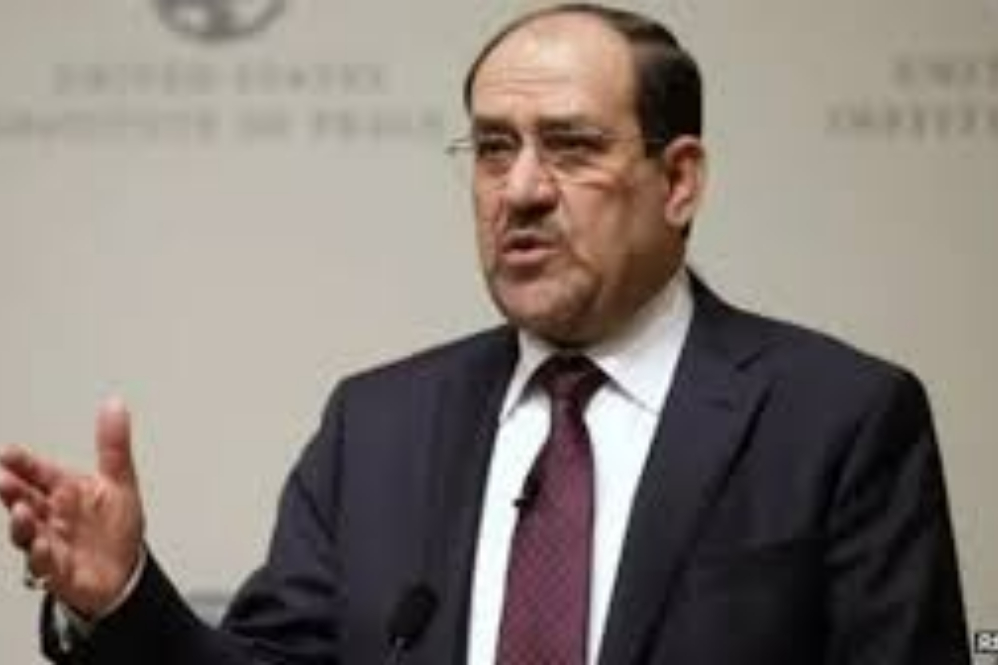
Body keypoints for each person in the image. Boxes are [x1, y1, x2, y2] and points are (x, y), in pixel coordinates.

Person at [0, 3, 970, 664]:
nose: (521, 189)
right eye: (494, 148)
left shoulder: (836, 417)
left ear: (678, 180)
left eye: (572, 146)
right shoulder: (377, 425)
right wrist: (122, 596)